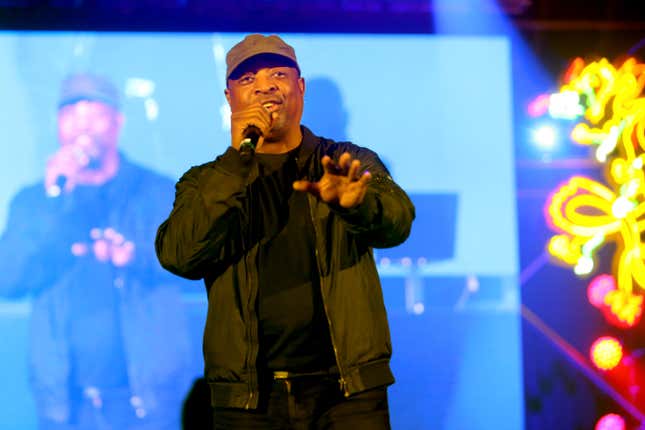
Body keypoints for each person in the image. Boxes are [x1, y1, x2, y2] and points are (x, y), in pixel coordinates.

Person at [155, 34, 415, 429]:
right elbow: (179, 254)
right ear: (229, 98)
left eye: (278, 73)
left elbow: (398, 223)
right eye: (248, 80)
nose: (265, 87)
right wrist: (235, 163)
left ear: (300, 88)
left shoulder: (348, 161)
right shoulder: (206, 181)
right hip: (249, 399)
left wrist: (357, 204)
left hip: (347, 394)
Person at [0, 74, 194, 430]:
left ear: (117, 123)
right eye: (71, 116)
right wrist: (52, 200)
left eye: (94, 115)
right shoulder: (35, 201)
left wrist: (135, 256)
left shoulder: (155, 192)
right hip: (66, 406)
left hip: (150, 403)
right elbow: (8, 278)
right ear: (58, 126)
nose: (82, 128)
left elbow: (195, 264)